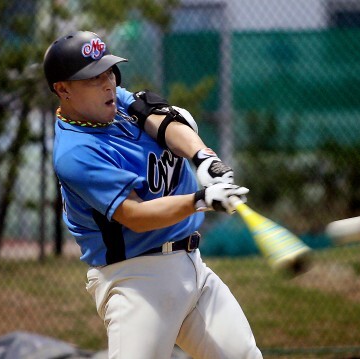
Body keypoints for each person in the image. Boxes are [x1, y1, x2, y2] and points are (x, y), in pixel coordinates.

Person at [43, 30, 263, 359]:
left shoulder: (113, 101)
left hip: (193, 268)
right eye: (92, 78)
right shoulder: (76, 153)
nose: (107, 83)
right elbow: (136, 216)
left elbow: (162, 119)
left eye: (108, 71)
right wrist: (201, 200)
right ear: (63, 89)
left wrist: (204, 158)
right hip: (136, 280)